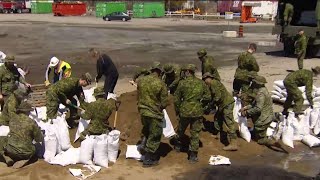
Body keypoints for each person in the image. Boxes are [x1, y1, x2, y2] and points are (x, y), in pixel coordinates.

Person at [173, 64, 211, 163]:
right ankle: (193, 156)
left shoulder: (182, 83)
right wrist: (201, 105)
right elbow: (207, 97)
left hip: (185, 110)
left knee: (181, 129)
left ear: (188, 71)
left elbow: (176, 99)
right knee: (195, 133)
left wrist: (178, 110)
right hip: (197, 111)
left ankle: (177, 146)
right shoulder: (201, 83)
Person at [137, 62, 169, 167]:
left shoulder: (141, 81)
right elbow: (164, 103)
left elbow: (138, 95)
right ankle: (148, 159)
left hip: (143, 111)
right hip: (154, 114)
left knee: (147, 129)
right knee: (155, 135)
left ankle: (143, 144)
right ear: (160, 72)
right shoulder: (160, 84)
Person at [202, 72, 238, 151]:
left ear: (208, 78)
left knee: (229, 122)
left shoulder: (214, 83)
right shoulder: (212, 84)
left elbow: (217, 97)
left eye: (205, 80)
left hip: (227, 104)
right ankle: (218, 133)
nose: (205, 81)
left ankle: (233, 143)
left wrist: (210, 105)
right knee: (218, 118)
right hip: (223, 104)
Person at [0, 104, 43, 168]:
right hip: (26, 152)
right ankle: (25, 158)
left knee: (2, 139)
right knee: (33, 147)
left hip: (11, 150)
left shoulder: (12, 120)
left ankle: (5, 156)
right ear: (28, 111)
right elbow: (39, 139)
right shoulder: (32, 122)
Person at [240, 75, 278, 146]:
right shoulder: (262, 90)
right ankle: (261, 133)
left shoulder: (261, 94)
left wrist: (247, 112)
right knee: (256, 130)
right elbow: (254, 104)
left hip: (264, 118)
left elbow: (258, 108)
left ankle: (266, 140)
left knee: (259, 139)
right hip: (268, 115)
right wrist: (246, 107)